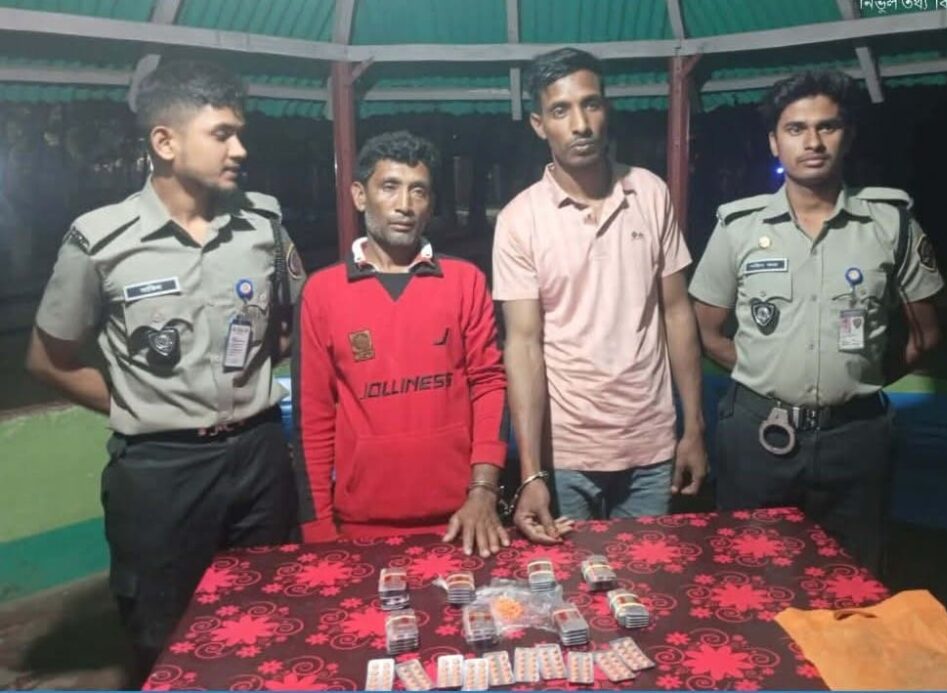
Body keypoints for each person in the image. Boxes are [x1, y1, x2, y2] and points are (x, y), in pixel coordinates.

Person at [25, 60, 305, 683]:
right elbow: (48, 359)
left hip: (260, 456)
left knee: (274, 620)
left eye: (240, 133)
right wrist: (137, 403)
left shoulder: (262, 225)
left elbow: (286, 326)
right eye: (222, 134)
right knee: (165, 638)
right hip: (161, 473)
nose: (240, 149)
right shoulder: (103, 241)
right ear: (165, 141)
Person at [689, 69, 943, 573]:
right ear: (774, 142)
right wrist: (768, 377)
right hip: (759, 434)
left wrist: (859, 379)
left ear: (848, 135)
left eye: (827, 126)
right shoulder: (739, 228)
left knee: (853, 580)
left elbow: (926, 336)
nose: (812, 142)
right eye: (795, 129)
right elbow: (710, 334)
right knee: (751, 576)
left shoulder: (890, 224)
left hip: (857, 437)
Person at [493, 48, 708, 543]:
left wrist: (694, 428)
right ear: (539, 124)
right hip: (568, 454)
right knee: (573, 584)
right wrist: (531, 471)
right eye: (560, 110)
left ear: (606, 110)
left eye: (590, 104)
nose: (580, 124)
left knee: (649, 581)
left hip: (651, 445)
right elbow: (522, 345)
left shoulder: (649, 192)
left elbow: (677, 312)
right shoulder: (520, 219)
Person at [293, 131, 511, 556]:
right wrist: (318, 529)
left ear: (430, 204)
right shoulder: (322, 293)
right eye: (389, 187)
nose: (405, 205)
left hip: (463, 520)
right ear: (360, 196)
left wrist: (483, 491)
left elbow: (489, 387)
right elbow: (313, 417)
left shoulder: (465, 281)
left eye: (418, 191)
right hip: (359, 526)